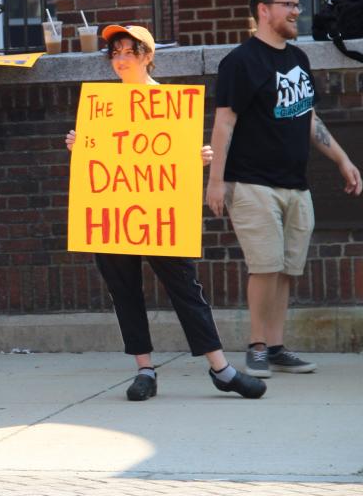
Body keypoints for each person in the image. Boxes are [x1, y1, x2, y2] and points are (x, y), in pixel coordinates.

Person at [66, 24, 267, 400]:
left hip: (159, 213)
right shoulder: (101, 107)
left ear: (148, 56)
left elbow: (172, 160)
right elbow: (102, 158)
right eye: (115, 53)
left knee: (185, 287)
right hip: (114, 210)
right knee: (124, 290)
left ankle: (220, 368)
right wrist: (80, 145)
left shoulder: (172, 107)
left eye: (129, 52)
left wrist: (199, 158)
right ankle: (144, 369)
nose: (121, 60)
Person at [206, 0, 361, 378]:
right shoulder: (240, 62)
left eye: (296, 5)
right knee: (264, 266)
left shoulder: (298, 60)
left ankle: (276, 346)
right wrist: (216, 182)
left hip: (295, 183)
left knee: (287, 269)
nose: (296, 12)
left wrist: (342, 160)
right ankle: (257, 346)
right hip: (253, 183)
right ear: (264, 10)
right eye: (288, 5)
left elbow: (307, 115)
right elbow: (224, 123)